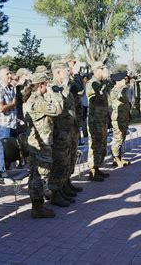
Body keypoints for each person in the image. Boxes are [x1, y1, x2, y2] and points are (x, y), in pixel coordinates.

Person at [23, 72, 63, 218]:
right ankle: (38, 207)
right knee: (40, 175)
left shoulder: (35, 99)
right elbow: (58, 109)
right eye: (47, 84)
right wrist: (54, 94)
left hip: (37, 143)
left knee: (35, 175)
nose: (48, 86)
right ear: (41, 85)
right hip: (40, 143)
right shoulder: (37, 101)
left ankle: (37, 206)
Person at [47, 60, 77, 206]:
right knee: (59, 163)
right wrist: (65, 86)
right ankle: (55, 193)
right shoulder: (53, 88)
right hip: (59, 132)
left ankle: (64, 186)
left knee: (66, 161)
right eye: (67, 71)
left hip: (68, 130)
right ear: (58, 72)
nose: (69, 73)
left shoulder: (65, 86)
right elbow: (60, 104)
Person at [86, 62, 112, 181]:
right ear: (97, 70)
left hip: (102, 118)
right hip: (95, 119)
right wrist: (107, 84)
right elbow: (99, 96)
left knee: (101, 144)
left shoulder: (101, 83)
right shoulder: (92, 83)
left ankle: (97, 168)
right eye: (103, 69)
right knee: (94, 145)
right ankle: (92, 171)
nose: (105, 71)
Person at [0, 66, 18, 172]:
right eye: (7, 74)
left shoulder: (10, 88)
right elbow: (1, 108)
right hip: (3, 126)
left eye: (10, 73)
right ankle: (3, 172)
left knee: (10, 149)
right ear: (0, 77)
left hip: (12, 123)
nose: (10, 75)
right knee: (3, 149)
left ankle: (10, 170)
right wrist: (13, 103)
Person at [65, 54, 84, 193]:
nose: (76, 65)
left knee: (72, 154)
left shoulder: (71, 79)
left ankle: (67, 181)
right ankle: (61, 186)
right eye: (74, 63)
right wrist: (77, 74)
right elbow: (77, 88)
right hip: (66, 124)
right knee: (65, 156)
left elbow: (80, 89)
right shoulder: (63, 81)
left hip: (74, 121)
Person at [110, 71, 132, 167]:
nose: (126, 80)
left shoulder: (122, 89)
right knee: (118, 139)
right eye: (124, 79)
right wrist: (123, 87)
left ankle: (118, 157)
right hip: (118, 118)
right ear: (118, 80)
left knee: (122, 138)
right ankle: (116, 158)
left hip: (124, 117)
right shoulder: (115, 90)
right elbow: (121, 97)